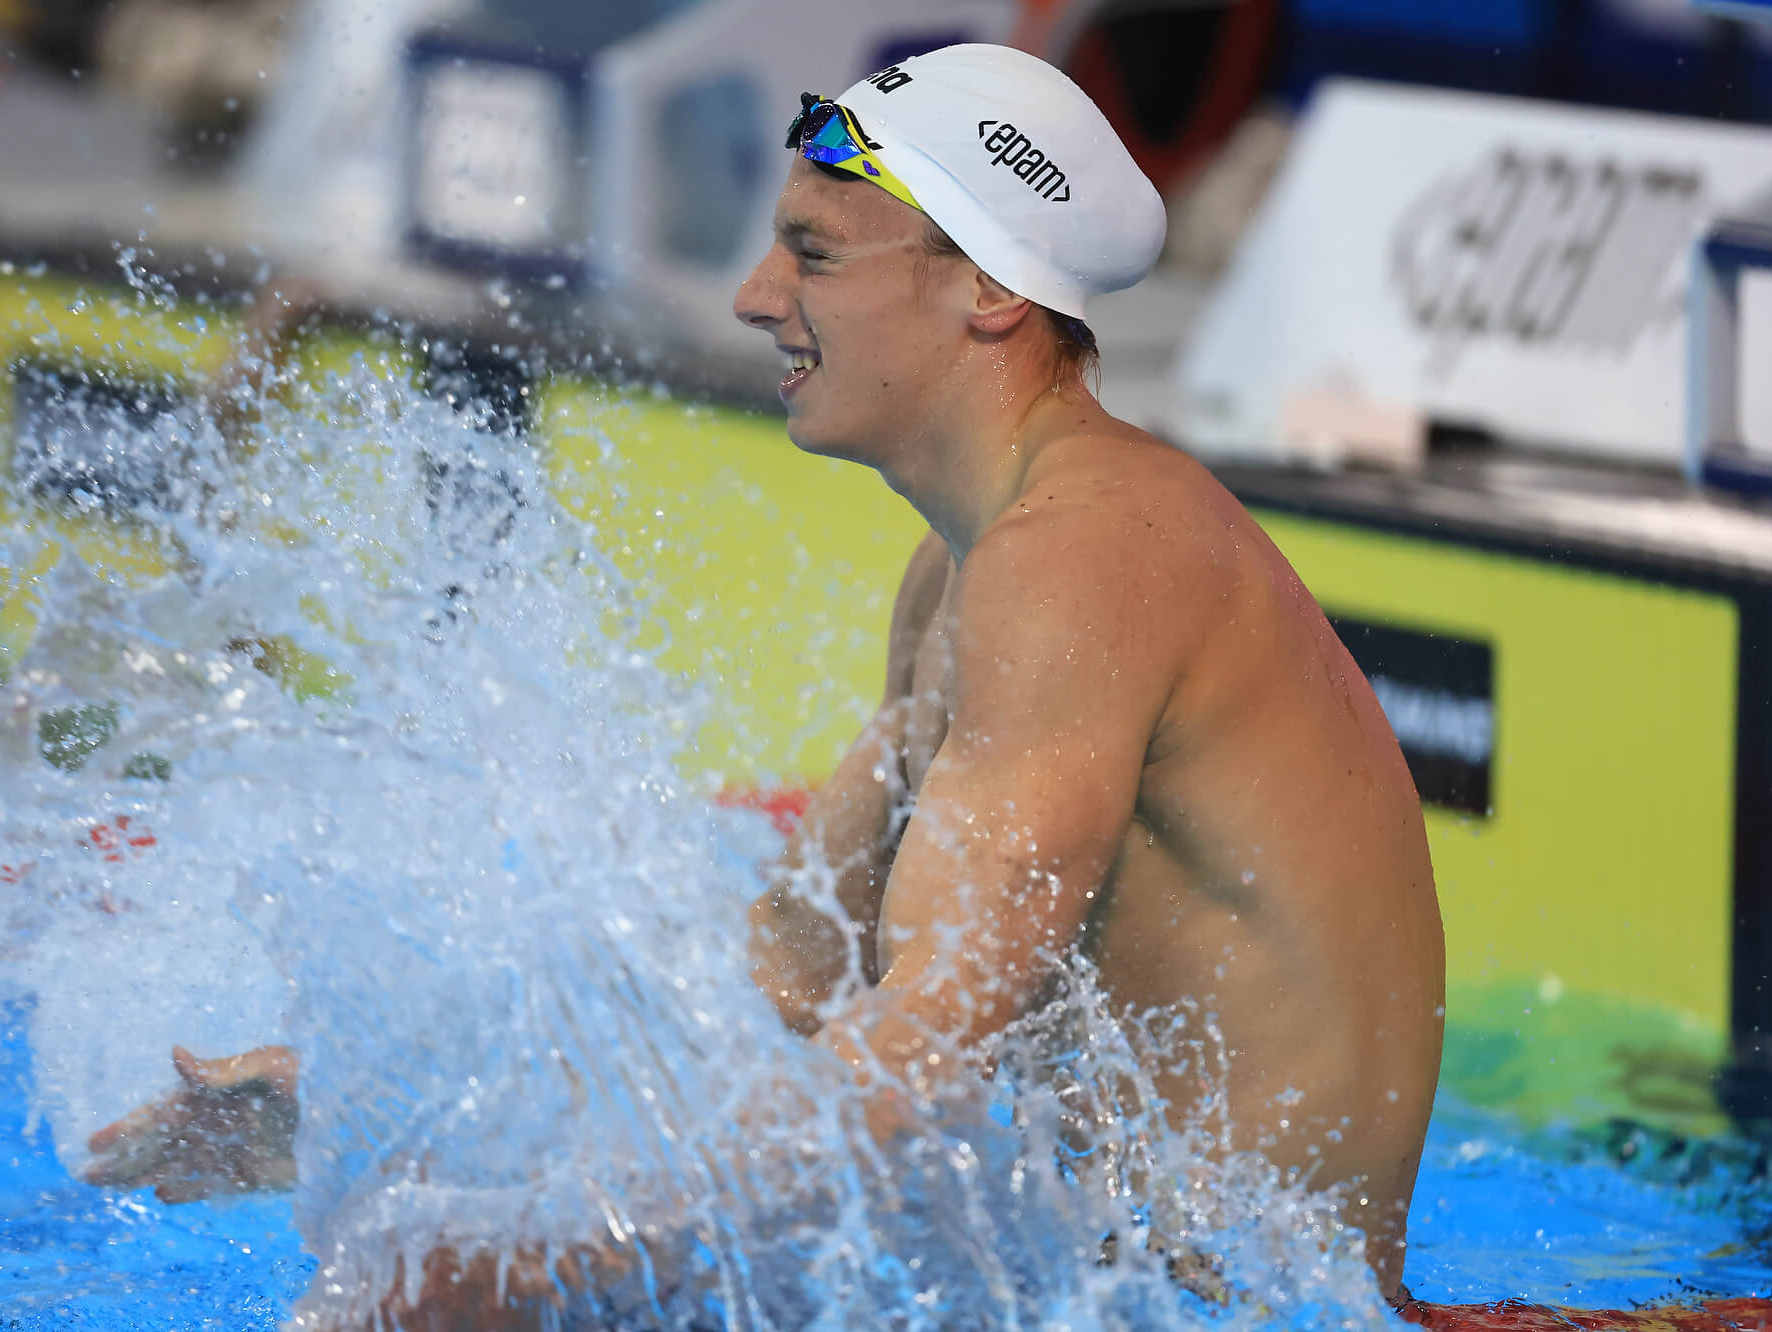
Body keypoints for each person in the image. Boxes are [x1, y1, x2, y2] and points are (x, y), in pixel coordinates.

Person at [84, 43, 1445, 1320]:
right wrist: (378, 1114)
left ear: (989, 289)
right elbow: (783, 998)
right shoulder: (961, 572)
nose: (753, 295)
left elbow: (917, 1066)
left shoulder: (1084, 562)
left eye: (816, 254)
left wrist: (543, 1268)